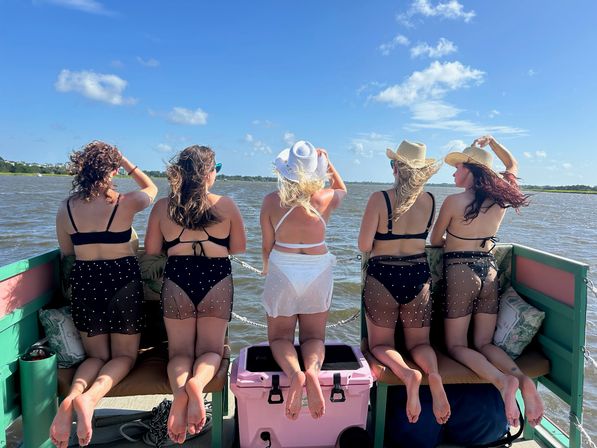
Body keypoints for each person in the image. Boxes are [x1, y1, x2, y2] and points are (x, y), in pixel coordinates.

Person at [429, 135, 543, 428]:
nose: (454, 173)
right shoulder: (503, 197)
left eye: (458, 168)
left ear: (471, 171)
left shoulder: (454, 202)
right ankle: (521, 378)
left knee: (456, 345)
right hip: (489, 270)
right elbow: (512, 163)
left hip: (460, 271)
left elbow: (435, 240)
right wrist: (492, 142)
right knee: (483, 342)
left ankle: (503, 381)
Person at [51, 141, 157, 447]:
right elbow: (152, 188)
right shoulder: (124, 202)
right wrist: (125, 160)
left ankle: (72, 397)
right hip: (121, 278)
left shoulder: (66, 208)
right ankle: (91, 398)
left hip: (85, 279)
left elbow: (67, 252)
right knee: (124, 355)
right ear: (113, 170)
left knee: (96, 355)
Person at [144, 145, 246, 444]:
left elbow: (151, 250)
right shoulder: (226, 205)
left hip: (177, 278)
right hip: (216, 278)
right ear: (209, 173)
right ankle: (196, 385)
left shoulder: (163, 207)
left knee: (179, 353)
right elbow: (238, 248)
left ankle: (179, 395)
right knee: (212, 351)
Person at [358, 141, 448, 425]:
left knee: (380, 345)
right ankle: (433, 374)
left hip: (383, 276)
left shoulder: (379, 198)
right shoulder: (431, 200)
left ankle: (408, 375)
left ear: (396, 168)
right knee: (420, 343)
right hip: (418, 275)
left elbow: (363, 245)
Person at [260, 140, 347, 420]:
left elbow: (266, 244)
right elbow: (342, 189)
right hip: (318, 270)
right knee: (313, 336)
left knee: (279, 337)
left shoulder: (272, 201)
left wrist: (265, 267)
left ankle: (295, 373)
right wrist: (328, 162)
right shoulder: (324, 198)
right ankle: (312, 370)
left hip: (283, 268)